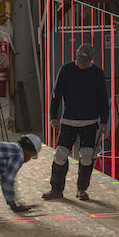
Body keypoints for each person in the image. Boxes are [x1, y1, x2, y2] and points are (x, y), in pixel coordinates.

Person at [43, 45, 110, 202]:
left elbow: (102, 98)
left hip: (90, 121)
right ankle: (56, 189)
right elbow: (56, 94)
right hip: (68, 121)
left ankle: (82, 189)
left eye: (85, 63)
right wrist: (53, 116)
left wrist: (104, 121)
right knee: (60, 155)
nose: (81, 65)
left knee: (86, 156)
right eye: (80, 61)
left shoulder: (97, 73)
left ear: (91, 60)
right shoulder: (66, 70)